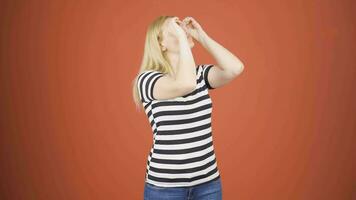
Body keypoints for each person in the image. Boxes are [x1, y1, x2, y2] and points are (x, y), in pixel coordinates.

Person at [132, 15, 244, 200]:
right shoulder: (147, 80)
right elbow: (185, 84)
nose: (182, 30)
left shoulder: (199, 75)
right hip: (165, 188)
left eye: (181, 27)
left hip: (208, 183)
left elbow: (235, 68)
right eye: (174, 29)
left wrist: (201, 36)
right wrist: (184, 39)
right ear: (161, 44)